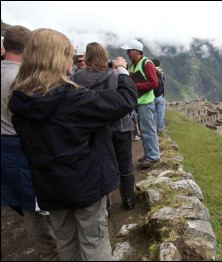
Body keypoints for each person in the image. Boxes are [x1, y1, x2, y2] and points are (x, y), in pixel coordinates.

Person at [8, 28, 137, 261]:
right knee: (94, 242)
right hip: (84, 183)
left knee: (66, 244)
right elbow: (125, 101)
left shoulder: (19, 100)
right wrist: (122, 71)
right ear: (57, 58)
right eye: (68, 54)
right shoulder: (73, 99)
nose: (71, 59)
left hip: (49, 185)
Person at [1, 25, 59, 261]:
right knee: (39, 209)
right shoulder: (22, 81)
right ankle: (53, 255)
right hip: (22, 150)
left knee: (28, 207)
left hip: (6, 151)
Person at [73, 42, 136, 210]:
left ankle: (105, 207)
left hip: (96, 129)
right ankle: (129, 200)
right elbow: (129, 96)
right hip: (120, 127)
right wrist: (122, 69)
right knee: (125, 165)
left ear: (87, 58)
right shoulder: (116, 76)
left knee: (101, 166)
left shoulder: (78, 77)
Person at [121, 39, 161, 168]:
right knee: (143, 129)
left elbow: (154, 83)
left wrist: (134, 85)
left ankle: (153, 155)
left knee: (148, 129)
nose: (127, 53)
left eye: (129, 51)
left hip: (146, 102)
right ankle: (148, 153)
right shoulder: (132, 65)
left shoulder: (146, 64)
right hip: (138, 102)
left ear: (136, 51)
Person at [152, 58, 165, 135]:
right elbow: (163, 80)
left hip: (152, 96)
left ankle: (153, 129)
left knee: (153, 113)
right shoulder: (161, 72)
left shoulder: (151, 71)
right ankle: (160, 130)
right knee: (160, 113)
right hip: (160, 96)